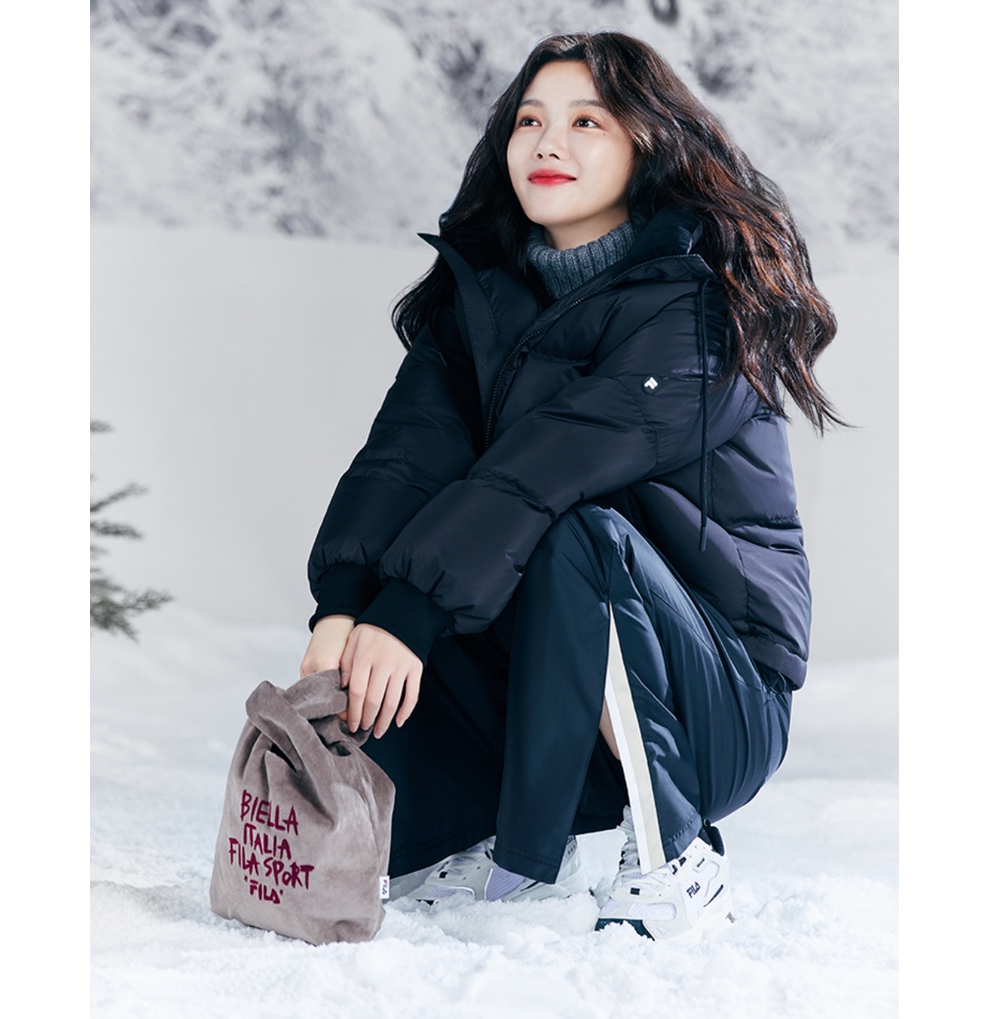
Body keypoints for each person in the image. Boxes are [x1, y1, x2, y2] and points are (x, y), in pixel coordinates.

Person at [299, 31, 838, 944]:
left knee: (563, 536)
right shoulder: (478, 302)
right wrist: (344, 606)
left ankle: (674, 851)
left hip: (714, 699)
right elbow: (402, 459)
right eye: (529, 121)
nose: (547, 143)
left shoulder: (697, 310)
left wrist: (409, 610)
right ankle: (472, 836)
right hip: (551, 684)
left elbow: (546, 467)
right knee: (415, 570)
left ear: (647, 146)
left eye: (587, 121)